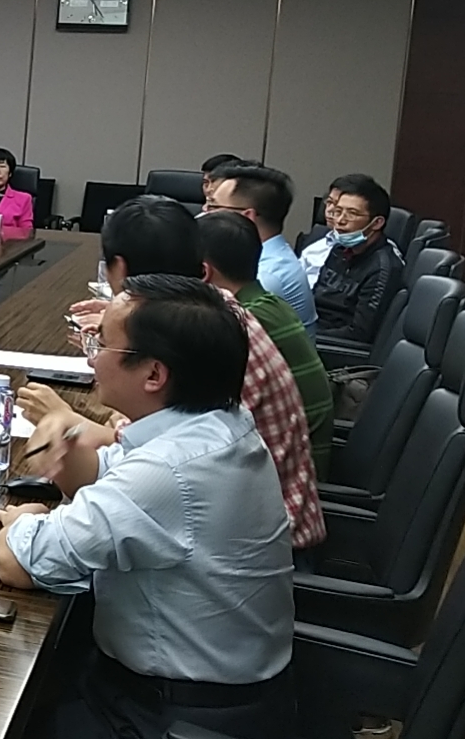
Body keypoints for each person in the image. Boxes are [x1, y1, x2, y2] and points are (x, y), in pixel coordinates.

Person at [0, 274, 296, 739]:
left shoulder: (170, 470)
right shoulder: (220, 424)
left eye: (101, 344)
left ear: (154, 375)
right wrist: (66, 440)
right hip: (226, 697)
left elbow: (19, 563)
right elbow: (107, 473)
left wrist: (24, 518)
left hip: (167, 715)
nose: (92, 357)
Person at [18, 196, 324, 551]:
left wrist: (67, 421)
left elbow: (139, 451)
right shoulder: (213, 313)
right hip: (237, 517)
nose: (94, 358)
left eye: (102, 345)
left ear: (119, 267)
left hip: (253, 539)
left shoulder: (208, 338)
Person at [199, 211, 336, 478]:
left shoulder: (242, 320)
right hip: (294, 456)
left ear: (203, 272)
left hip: (289, 471)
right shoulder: (268, 303)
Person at [203, 164, 317, 332]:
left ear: (246, 217)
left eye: (214, 206)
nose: (205, 211)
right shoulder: (268, 255)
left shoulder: (267, 277)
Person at [310, 176, 403, 343]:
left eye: (352, 214)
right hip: (312, 327)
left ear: (377, 223)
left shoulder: (382, 268)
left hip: (331, 346)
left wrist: (302, 337)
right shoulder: (339, 249)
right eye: (338, 211)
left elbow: (359, 333)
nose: (340, 221)